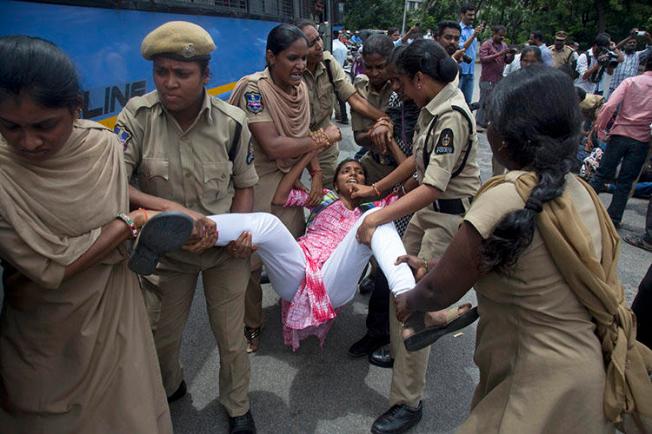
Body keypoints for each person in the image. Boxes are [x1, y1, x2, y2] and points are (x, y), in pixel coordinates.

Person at [393, 65, 652, 434]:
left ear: (502, 138)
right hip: (588, 380)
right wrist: (436, 263)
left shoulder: (505, 196)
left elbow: (437, 291)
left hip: (533, 387)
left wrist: (410, 300)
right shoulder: (583, 192)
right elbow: (529, 267)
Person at [0, 35, 172, 433]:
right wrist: (129, 223)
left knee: (126, 413)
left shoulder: (103, 148)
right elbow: (50, 270)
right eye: (10, 126)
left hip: (114, 315)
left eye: (44, 126)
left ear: (76, 108)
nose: (28, 142)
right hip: (40, 330)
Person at [115, 21, 259, 433]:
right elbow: (117, 184)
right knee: (160, 337)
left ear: (206, 75)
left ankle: (237, 407)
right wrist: (174, 210)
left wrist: (238, 233)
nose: (169, 83)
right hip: (166, 254)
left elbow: (245, 185)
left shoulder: (232, 123)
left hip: (221, 253)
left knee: (231, 339)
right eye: (162, 72)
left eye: (182, 74)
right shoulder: (137, 116)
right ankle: (170, 387)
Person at [133, 155, 419, 351]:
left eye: (359, 172)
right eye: (347, 171)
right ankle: (188, 230)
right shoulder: (324, 199)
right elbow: (281, 197)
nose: (353, 175)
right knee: (268, 223)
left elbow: (414, 182)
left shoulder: (367, 209)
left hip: (334, 281)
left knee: (379, 219)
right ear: (336, 182)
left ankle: (407, 295)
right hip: (299, 270)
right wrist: (310, 157)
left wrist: (407, 153)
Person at [352, 39, 480, 434]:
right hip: (427, 213)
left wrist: (377, 217)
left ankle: (408, 402)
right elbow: (415, 161)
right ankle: (403, 348)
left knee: (414, 304)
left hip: (445, 220)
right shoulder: (433, 109)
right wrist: (377, 194)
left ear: (420, 79)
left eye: (402, 83)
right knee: (398, 289)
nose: (400, 91)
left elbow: (434, 185)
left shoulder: (452, 115)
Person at [228, 24, 340, 354]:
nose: (300, 66)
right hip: (254, 177)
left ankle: (296, 310)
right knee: (248, 258)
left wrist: (317, 172)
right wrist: (323, 138)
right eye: (292, 58)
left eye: (304, 59)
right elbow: (274, 146)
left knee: (294, 251)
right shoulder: (254, 89)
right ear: (270, 56)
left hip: (289, 176)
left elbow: (301, 134)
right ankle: (251, 324)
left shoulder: (300, 89)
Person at [298, 21, 389, 189]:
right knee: (290, 194)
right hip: (296, 141)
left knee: (327, 194)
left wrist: (387, 120)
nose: (319, 46)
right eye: (311, 44)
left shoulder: (328, 62)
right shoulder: (292, 72)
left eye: (318, 39)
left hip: (324, 140)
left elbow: (353, 99)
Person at [589, 55, 652, 228]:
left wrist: (600, 128)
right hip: (641, 139)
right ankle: (614, 218)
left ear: (645, 64)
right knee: (626, 181)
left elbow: (609, 106)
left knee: (601, 174)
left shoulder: (630, 82)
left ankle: (585, 209)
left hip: (620, 134)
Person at [476, 25, 513, 130]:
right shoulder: (486, 45)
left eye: (503, 36)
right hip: (487, 78)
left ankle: (486, 122)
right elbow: (483, 59)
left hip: (498, 78)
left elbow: (507, 60)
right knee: (484, 101)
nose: (502, 38)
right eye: (500, 35)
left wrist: (511, 55)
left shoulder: (504, 45)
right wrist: (499, 54)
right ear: (494, 34)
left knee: (493, 101)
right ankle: (479, 122)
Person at [608, 29, 652, 96]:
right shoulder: (619, 54)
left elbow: (650, 49)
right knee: (611, 106)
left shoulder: (638, 55)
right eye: (630, 42)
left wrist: (648, 37)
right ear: (625, 45)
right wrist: (630, 37)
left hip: (629, 90)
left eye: (634, 43)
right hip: (615, 88)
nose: (632, 44)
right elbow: (615, 48)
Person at [458, 4, 482, 104]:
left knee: (467, 103)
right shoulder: (458, 30)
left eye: (473, 15)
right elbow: (462, 48)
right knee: (457, 102)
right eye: (469, 15)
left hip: (470, 72)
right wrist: (474, 35)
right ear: (462, 15)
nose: (472, 17)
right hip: (460, 72)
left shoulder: (472, 30)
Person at [332, 30, 350, 124]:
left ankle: (339, 114)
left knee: (332, 95)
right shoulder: (343, 46)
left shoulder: (331, 46)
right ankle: (343, 115)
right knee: (341, 96)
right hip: (341, 71)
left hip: (332, 72)